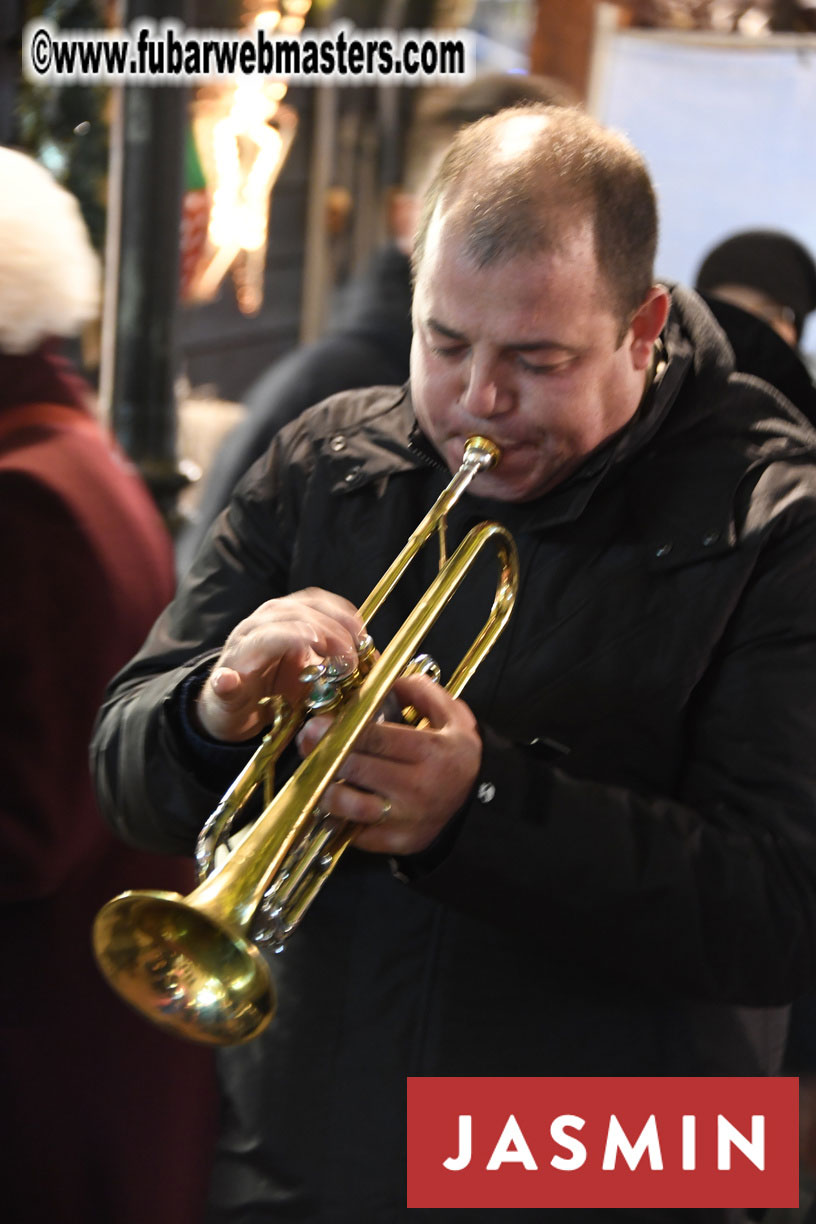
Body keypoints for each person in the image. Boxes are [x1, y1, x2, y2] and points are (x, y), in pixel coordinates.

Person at [92, 107, 816, 1223]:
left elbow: (781, 916)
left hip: (620, 1165)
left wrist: (480, 809)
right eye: (444, 343)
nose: (478, 401)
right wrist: (209, 710)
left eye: (538, 359)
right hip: (307, 1142)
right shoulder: (328, 459)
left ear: (643, 325)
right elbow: (117, 765)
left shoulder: (781, 519)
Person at [0, 146, 216, 1224]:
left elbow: (30, 826)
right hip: (97, 1041)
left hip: (49, 1058)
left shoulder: (28, 495)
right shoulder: (69, 453)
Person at [175, 72, 578, 575]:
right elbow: (203, 616)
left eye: (539, 226)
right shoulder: (324, 394)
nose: (482, 396)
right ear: (406, 216)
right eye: (474, 216)